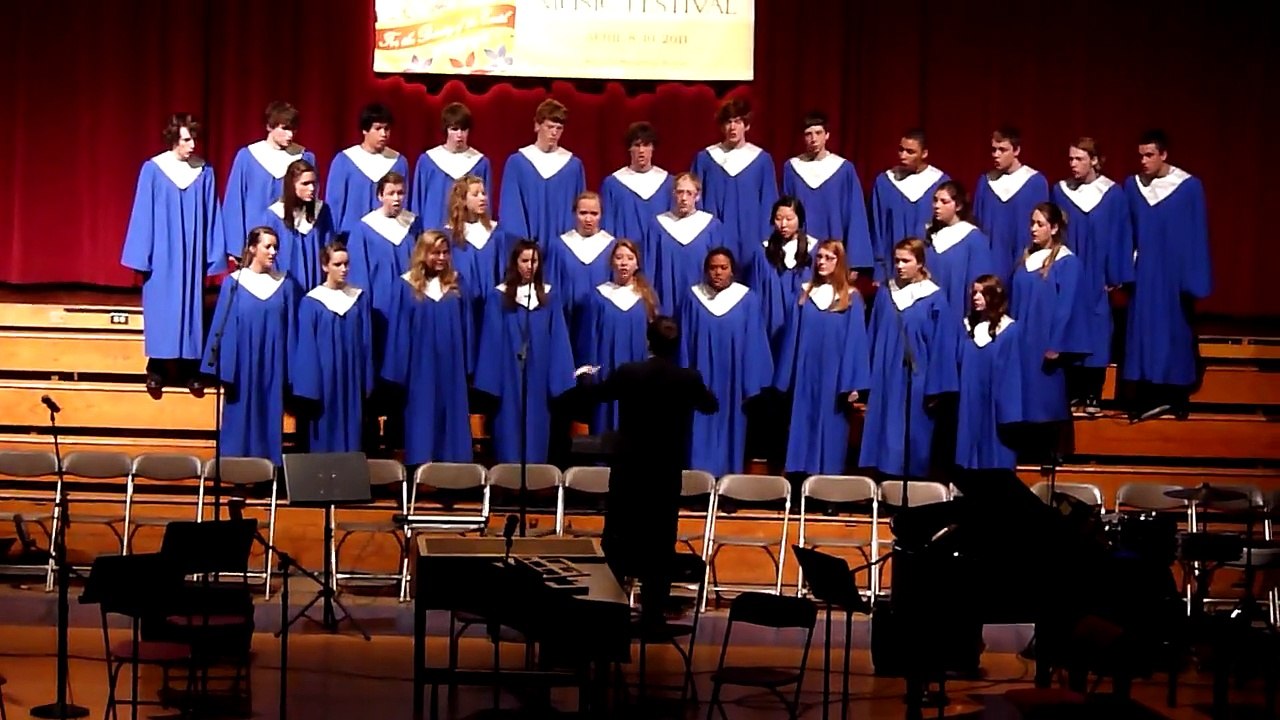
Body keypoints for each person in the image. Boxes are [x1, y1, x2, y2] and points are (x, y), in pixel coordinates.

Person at [576, 316, 717, 629]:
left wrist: (584, 377)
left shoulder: (629, 372)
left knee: (617, 537)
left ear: (648, 342)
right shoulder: (687, 378)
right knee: (660, 541)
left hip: (629, 470)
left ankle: (610, 612)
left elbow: (596, 395)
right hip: (664, 473)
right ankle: (653, 614)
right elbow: (711, 406)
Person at [121, 113, 224, 392]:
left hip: (191, 252)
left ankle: (191, 368)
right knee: (161, 307)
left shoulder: (204, 172)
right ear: (173, 140)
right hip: (163, 253)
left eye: (193, 139)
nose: (192, 145)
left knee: (191, 308)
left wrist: (213, 254)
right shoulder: (154, 169)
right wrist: (142, 255)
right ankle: (156, 367)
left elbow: (212, 214)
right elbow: (143, 213)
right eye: (186, 140)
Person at [1122, 129, 1210, 421]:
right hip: (1145, 271)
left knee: (1174, 330)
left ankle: (1176, 395)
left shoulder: (1188, 187)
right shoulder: (1133, 187)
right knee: (1143, 331)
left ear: (1164, 154)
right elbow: (1127, 234)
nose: (1143, 161)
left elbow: (1197, 234)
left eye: (1149, 155)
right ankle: (1146, 395)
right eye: (1140, 155)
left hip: (1173, 274)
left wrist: (1193, 279)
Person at [859, 238, 959, 478]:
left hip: (917, 377)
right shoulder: (885, 293)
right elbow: (872, 335)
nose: (900, 266)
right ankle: (884, 486)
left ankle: (912, 489)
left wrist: (937, 388)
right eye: (897, 261)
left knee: (913, 434)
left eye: (906, 261)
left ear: (920, 263)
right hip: (885, 375)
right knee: (885, 432)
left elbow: (942, 346)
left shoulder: (933, 298)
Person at [473, 239, 579, 464]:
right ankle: (508, 481)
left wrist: (558, 379)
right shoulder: (498, 297)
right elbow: (490, 340)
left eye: (534, 261)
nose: (530, 266)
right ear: (515, 263)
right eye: (524, 261)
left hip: (539, 374)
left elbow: (558, 338)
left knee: (537, 424)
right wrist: (492, 381)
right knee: (508, 424)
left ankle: (536, 480)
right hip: (508, 374)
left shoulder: (549, 297)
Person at [772, 240, 870, 475]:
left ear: (840, 262)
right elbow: (792, 339)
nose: (822, 262)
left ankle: (829, 491)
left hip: (835, 376)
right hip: (806, 374)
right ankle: (799, 484)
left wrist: (853, 383)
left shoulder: (850, 299)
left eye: (829, 258)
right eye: (820, 257)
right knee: (802, 425)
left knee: (832, 429)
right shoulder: (805, 295)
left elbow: (856, 343)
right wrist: (786, 378)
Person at [202, 227, 298, 464]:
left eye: (276, 247)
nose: (274, 252)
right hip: (242, 364)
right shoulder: (234, 284)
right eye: (268, 246)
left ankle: (266, 473)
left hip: (272, 363)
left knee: (269, 414)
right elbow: (221, 328)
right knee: (240, 415)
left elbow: (292, 328)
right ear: (253, 248)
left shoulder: (285, 284)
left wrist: (292, 369)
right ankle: (238, 473)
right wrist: (223, 369)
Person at [1052, 137, 1133, 415]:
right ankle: (1073, 392)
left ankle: (1093, 394)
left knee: (1097, 330)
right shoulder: (1061, 191)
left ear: (1095, 161)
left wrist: (1116, 274)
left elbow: (1121, 236)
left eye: (1079, 159)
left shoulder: (1113, 193)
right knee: (1070, 327)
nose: (1073, 164)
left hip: (1097, 274)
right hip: (1069, 270)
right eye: (1071, 159)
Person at [381, 230, 475, 465]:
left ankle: (453, 477)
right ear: (424, 254)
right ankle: (420, 471)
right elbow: (399, 332)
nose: (442, 258)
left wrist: (469, 365)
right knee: (421, 416)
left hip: (452, 366)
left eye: (445, 253)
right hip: (419, 368)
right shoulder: (406, 286)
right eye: (436, 253)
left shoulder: (457, 284)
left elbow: (468, 327)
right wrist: (398, 372)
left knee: (452, 417)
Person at [679, 248, 773, 478]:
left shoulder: (747, 299)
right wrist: (684, 378)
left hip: (734, 379)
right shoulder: (693, 297)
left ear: (732, 270)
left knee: (733, 430)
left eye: (723, 267)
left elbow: (755, 341)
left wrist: (751, 382)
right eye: (713, 267)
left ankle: (727, 485)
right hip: (701, 378)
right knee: (699, 428)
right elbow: (684, 341)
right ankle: (698, 485)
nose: (718, 272)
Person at [1011, 203, 1087, 458]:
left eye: (1040, 224)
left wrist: (1057, 344)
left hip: (1045, 342)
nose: (1033, 229)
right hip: (1022, 341)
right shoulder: (1025, 260)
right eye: (1032, 223)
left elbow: (1067, 306)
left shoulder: (1067, 262)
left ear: (1054, 228)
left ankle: (1051, 451)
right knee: (1023, 398)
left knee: (1046, 397)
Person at [293, 239, 374, 453]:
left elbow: (366, 341)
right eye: (338, 264)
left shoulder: (358, 298)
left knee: (353, 431)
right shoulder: (312, 302)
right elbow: (306, 350)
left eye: (346, 264)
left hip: (351, 377)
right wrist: (310, 388)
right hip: (324, 381)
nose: (344, 269)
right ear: (325, 266)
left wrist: (366, 379)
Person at [575, 239, 660, 433]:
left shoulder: (646, 299)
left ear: (637, 264)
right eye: (619, 257)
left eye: (629, 258)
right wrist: (588, 374)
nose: (623, 262)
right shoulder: (597, 297)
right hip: (606, 373)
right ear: (611, 262)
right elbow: (587, 337)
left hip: (638, 375)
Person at [222, 101, 314, 262]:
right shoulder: (248, 157)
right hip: (257, 245)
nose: (290, 135)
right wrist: (236, 248)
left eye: (293, 129)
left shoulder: (304, 157)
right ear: (270, 127)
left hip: (293, 242)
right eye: (284, 129)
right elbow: (235, 204)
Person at [782, 111, 873, 272]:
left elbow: (854, 215)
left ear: (827, 135)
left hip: (834, 248)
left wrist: (854, 262)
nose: (814, 139)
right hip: (800, 251)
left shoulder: (843, 169)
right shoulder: (792, 168)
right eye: (808, 134)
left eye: (818, 133)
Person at [690, 97, 779, 260]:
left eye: (738, 121)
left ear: (747, 125)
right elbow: (696, 199)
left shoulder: (761, 160)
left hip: (752, 237)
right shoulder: (706, 159)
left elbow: (769, 203)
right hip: (715, 236)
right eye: (728, 122)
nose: (732, 127)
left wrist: (767, 239)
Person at [347, 172, 422, 363]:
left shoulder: (414, 224)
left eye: (400, 193)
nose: (396, 198)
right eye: (391, 193)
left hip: (410, 300)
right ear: (380, 196)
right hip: (380, 304)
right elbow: (358, 275)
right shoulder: (364, 228)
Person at [955, 275, 1023, 471]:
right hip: (969, 402)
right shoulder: (967, 327)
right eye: (974, 292)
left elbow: (1013, 376)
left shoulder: (1009, 330)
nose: (976, 297)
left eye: (982, 293)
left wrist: (1009, 415)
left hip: (995, 405)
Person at [498, 99, 586, 245]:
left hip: (563, 247)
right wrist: (523, 247)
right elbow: (511, 211)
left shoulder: (573, 167)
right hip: (527, 252)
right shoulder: (518, 163)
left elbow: (579, 211)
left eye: (559, 128)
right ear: (537, 125)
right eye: (550, 127)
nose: (554, 133)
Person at [870, 129, 949, 281]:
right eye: (901, 150)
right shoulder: (885, 182)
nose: (903, 156)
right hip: (892, 269)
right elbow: (877, 229)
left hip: (930, 268)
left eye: (910, 152)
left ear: (924, 153)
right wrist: (879, 270)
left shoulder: (940, 183)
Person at [973, 126, 1050, 281]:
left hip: (1024, 260)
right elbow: (977, 224)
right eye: (994, 150)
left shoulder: (1035, 182)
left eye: (1002, 150)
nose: (996, 155)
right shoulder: (986, 182)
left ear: (1016, 150)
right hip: (991, 261)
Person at [646, 172, 724, 315]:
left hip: (703, 300)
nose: (683, 198)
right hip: (666, 300)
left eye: (689, 193)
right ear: (673, 194)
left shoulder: (711, 226)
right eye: (680, 192)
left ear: (697, 196)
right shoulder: (657, 225)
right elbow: (650, 268)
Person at [325, 103, 410, 233]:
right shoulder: (345, 161)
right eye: (378, 128)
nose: (383, 134)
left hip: (388, 235)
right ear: (365, 130)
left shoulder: (398, 162)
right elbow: (334, 205)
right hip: (350, 236)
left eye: (387, 129)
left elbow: (404, 203)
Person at [746, 196, 815, 351]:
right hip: (771, 323)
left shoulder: (814, 251)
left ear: (800, 219)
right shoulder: (762, 253)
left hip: (803, 323)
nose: (783, 224)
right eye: (778, 219)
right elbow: (755, 293)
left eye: (789, 219)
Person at [543, 191, 616, 329]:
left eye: (594, 213)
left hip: (601, 321)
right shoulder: (559, 246)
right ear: (574, 213)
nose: (588, 219)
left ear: (601, 215)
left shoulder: (611, 247)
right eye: (583, 213)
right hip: (567, 320)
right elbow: (551, 284)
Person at [924, 181, 994, 323]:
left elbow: (979, 281)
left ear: (959, 206)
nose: (937, 206)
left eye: (944, 202)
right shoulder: (929, 238)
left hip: (957, 316)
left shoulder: (973, 238)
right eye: (935, 200)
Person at [259, 159, 334, 289]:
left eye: (314, 183)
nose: (312, 188)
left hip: (316, 284)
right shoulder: (274, 216)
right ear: (292, 185)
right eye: (305, 184)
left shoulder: (322, 211)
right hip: (283, 284)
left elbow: (328, 248)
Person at [412, 102, 491, 225]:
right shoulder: (428, 161)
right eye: (454, 129)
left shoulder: (480, 163)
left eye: (464, 129)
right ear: (446, 130)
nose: (459, 135)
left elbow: (485, 204)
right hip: (434, 231)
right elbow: (418, 201)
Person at [446, 174, 510, 316]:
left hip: (492, 307)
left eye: (484, 193)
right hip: (462, 307)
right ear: (462, 200)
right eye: (475, 194)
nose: (483, 198)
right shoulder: (450, 236)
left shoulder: (497, 234)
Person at [600, 122, 672, 245]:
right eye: (637, 145)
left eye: (646, 145)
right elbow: (607, 227)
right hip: (625, 255)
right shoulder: (613, 184)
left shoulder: (668, 183)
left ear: (653, 147)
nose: (641, 151)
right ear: (629, 148)